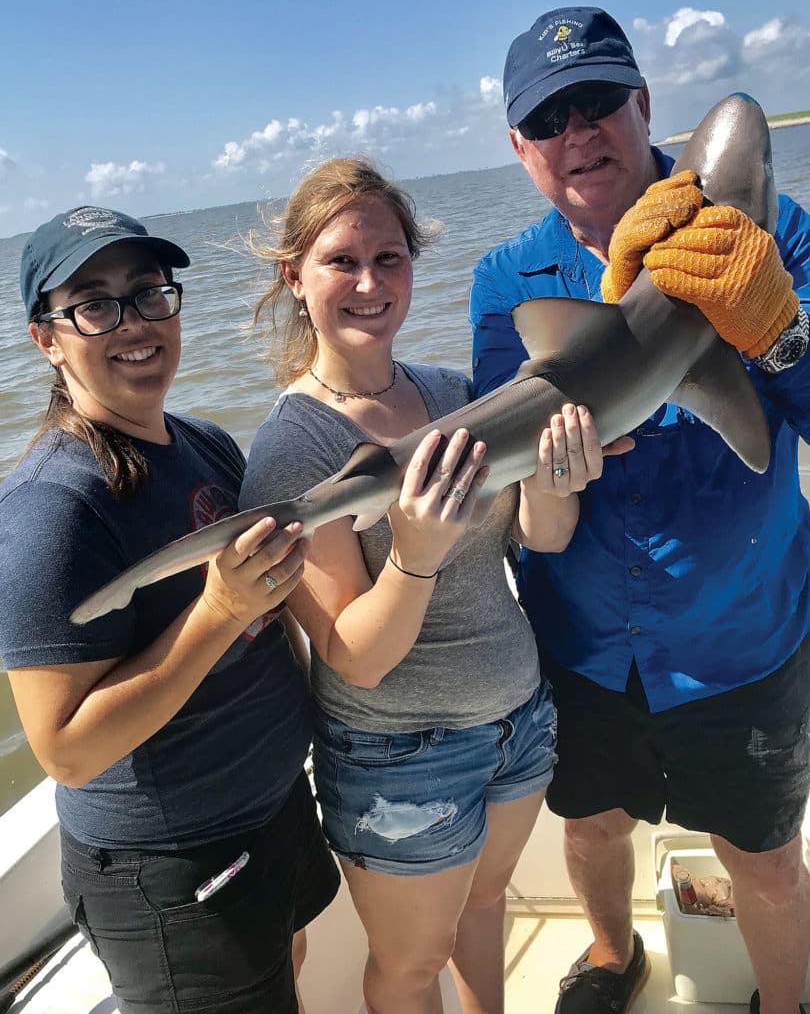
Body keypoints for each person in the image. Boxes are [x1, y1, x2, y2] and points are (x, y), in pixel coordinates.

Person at [470, 5, 810, 1014]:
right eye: (548, 119)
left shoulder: (776, 236)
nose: (578, 132)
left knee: (764, 857)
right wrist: (548, 478)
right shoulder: (508, 284)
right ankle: (613, 957)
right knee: (590, 824)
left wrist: (776, 336)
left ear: (643, 104)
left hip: (740, 631)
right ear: (520, 148)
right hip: (582, 638)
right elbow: (536, 527)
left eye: (597, 103)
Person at [240, 156, 632, 1014]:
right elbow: (354, 659)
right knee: (411, 968)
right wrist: (414, 554)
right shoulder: (295, 452)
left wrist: (558, 482)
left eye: (390, 258)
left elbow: (539, 539)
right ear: (294, 277)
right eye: (342, 260)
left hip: (518, 721)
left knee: (485, 908)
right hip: (399, 759)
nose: (370, 282)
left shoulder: (455, 394)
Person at [0, 206, 340, 1014]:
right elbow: (67, 753)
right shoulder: (51, 511)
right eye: (94, 303)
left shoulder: (200, 441)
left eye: (148, 292)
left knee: (286, 973)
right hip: (176, 861)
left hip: (272, 808)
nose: (134, 322)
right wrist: (217, 611)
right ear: (46, 337)